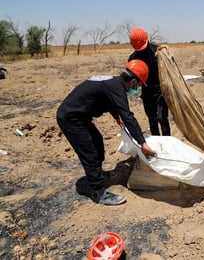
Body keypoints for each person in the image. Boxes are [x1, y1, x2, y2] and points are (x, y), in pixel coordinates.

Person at [56, 60, 157, 205]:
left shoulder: (113, 83)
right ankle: (99, 192)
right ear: (133, 81)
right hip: (70, 118)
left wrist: (116, 117)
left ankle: (98, 174)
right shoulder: (117, 88)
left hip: (80, 116)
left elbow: (109, 101)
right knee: (89, 152)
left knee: (97, 143)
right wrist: (142, 143)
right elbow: (128, 116)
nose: (138, 89)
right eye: (139, 85)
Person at [128, 27, 171, 136]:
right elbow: (133, 80)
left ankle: (167, 142)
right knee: (152, 119)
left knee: (162, 118)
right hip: (147, 92)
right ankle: (157, 145)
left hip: (161, 91)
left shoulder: (159, 52)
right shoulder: (133, 58)